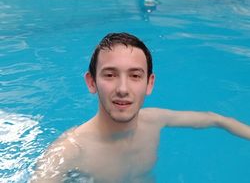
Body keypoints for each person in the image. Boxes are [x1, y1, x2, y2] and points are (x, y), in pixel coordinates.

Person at [31, 32, 250, 182]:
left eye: (135, 75)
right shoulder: (69, 151)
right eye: (110, 75)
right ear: (91, 82)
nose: (123, 88)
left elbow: (215, 119)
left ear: (149, 83)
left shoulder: (155, 120)